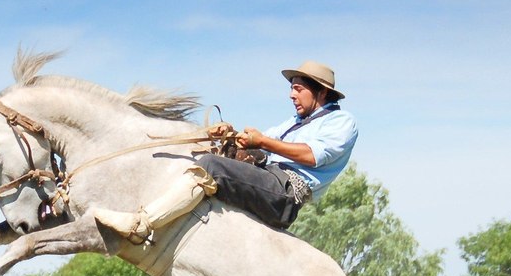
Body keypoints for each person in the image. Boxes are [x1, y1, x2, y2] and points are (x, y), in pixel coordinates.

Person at [94, 60, 358, 237]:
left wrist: (262, 142)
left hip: (286, 193)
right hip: (271, 180)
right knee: (215, 154)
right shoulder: (295, 122)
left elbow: (311, 156)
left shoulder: (341, 122)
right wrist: (231, 137)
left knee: (211, 166)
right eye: (292, 89)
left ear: (322, 93)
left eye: (298, 89)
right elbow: (261, 146)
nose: (291, 95)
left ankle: (143, 224)